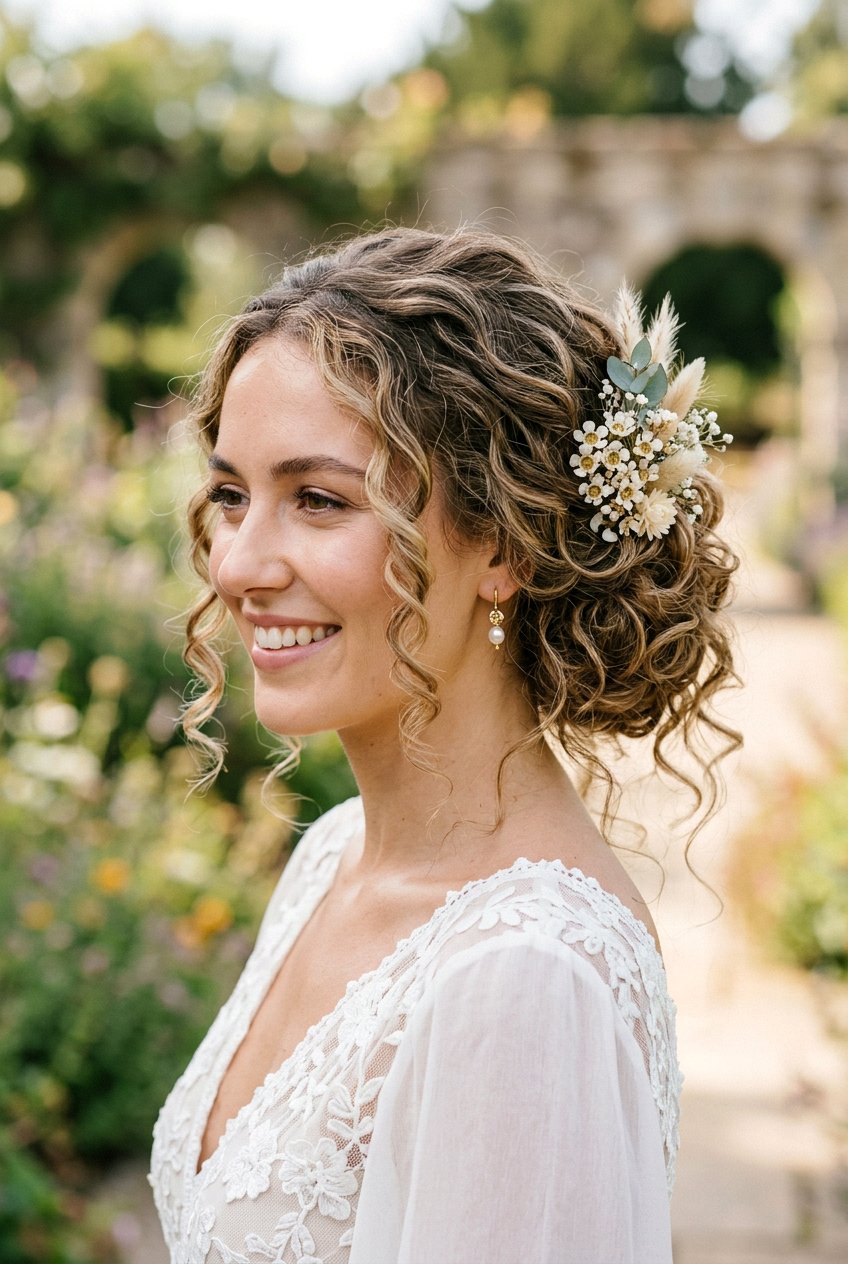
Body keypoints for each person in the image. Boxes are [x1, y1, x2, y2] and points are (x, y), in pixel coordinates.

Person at [149, 226, 740, 1263]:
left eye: (320, 499)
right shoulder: (331, 855)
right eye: (233, 492)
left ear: (502, 543)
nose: (238, 562)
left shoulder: (521, 979)